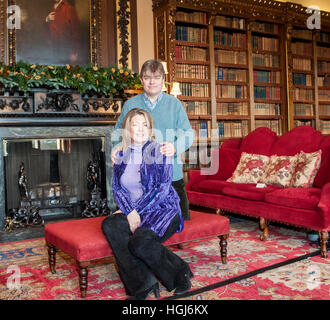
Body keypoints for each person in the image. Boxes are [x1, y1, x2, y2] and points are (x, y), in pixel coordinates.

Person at [102, 108, 193, 300]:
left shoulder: (159, 151)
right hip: (134, 210)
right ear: (128, 129)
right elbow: (118, 189)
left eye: (145, 124)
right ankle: (142, 283)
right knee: (111, 224)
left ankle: (181, 273)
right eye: (135, 124)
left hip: (163, 210)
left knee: (140, 243)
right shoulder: (120, 156)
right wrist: (129, 211)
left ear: (150, 128)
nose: (141, 128)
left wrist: (136, 212)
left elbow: (160, 189)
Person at [112, 59, 194, 220]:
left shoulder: (174, 104)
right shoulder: (130, 104)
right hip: (137, 176)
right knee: (132, 222)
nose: (152, 82)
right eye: (147, 77)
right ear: (141, 80)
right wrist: (116, 148)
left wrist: (175, 147)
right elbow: (118, 132)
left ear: (163, 80)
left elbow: (188, 133)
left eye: (156, 77)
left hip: (170, 175)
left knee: (181, 222)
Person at [45, 0, 81, 64]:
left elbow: (76, 32)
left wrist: (74, 51)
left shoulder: (69, 9)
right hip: (50, 50)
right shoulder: (50, 8)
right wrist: (47, 19)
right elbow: (46, 30)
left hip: (65, 50)